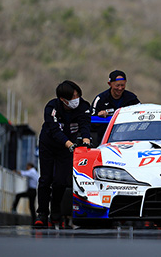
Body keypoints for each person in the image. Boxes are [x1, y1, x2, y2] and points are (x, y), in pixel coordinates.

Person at [35, 80, 92, 227]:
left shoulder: (84, 106)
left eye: (77, 96)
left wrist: (86, 140)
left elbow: (85, 124)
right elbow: (54, 130)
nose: (76, 100)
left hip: (67, 149)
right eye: (73, 97)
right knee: (45, 179)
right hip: (49, 144)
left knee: (61, 181)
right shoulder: (51, 107)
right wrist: (69, 144)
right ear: (63, 99)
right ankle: (42, 213)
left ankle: (55, 209)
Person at [91, 70, 140, 144]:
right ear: (109, 84)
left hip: (128, 139)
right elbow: (90, 118)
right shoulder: (100, 99)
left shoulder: (131, 98)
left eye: (122, 85)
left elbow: (141, 114)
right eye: (117, 85)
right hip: (104, 139)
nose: (120, 88)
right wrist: (99, 116)